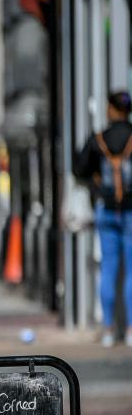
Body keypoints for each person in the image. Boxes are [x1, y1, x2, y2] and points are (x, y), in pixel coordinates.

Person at [75, 90, 132, 348]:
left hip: (106, 210)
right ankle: (131, 330)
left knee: (108, 268)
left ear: (110, 109)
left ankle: (109, 329)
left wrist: (95, 185)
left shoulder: (98, 139)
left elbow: (78, 168)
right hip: (131, 210)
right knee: (131, 272)